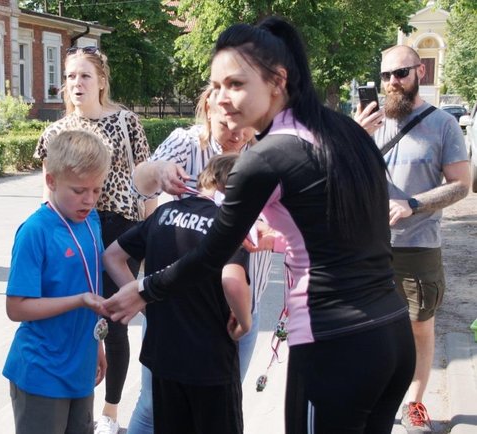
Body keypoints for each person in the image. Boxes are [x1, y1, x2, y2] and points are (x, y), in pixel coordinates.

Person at [105, 17, 417, 434]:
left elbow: (211, 256)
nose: (221, 99)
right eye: (215, 86)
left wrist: (143, 289)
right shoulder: (343, 131)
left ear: (277, 81)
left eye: (235, 84)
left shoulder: (265, 157)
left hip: (334, 345)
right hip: (392, 335)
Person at [127, 86, 273, 434]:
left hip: (238, 312)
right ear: (209, 106)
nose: (237, 133)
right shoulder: (187, 142)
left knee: (217, 409)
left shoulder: (266, 153)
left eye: (245, 122)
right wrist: (159, 170)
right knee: (153, 407)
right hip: (180, 311)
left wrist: (272, 229)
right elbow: (139, 182)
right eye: (227, 121)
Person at [33, 45, 152, 434]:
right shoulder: (55, 132)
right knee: (77, 316)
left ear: (101, 80)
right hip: (76, 229)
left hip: (121, 229)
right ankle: (75, 401)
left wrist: (151, 236)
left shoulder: (126, 122)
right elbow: (47, 192)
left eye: (85, 75)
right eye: (70, 76)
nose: (76, 83)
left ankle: (110, 412)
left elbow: (145, 182)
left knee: (114, 318)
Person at [355, 45, 470, 433]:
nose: (392, 82)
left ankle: (415, 404)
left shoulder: (443, 125)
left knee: (419, 326)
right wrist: (357, 136)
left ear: (419, 71)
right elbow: (340, 175)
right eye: (386, 75)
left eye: (401, 73)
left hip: (418, 246)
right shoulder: (369, 123)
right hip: (368, 246)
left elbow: (461, 185)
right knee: (369, 327)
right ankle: (374, 397)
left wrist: (413, 204)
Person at [104, 154, 251, 434]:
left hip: (164, 356)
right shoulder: (228, 223)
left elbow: (112, 256)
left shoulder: (163, 214)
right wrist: (245, 321)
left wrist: (146, 304)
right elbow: (232, 281)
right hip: (210, 362)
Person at [4, 130, 111, 434]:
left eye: (96, 189)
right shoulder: (34, 232)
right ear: (51, 181)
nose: (89, 199)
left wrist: (98, 344)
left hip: (81, 364)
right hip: (42, 371)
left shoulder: (90, 220)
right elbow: (16, 308)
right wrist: (78, 301)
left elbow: (90, 280)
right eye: (79, 190)